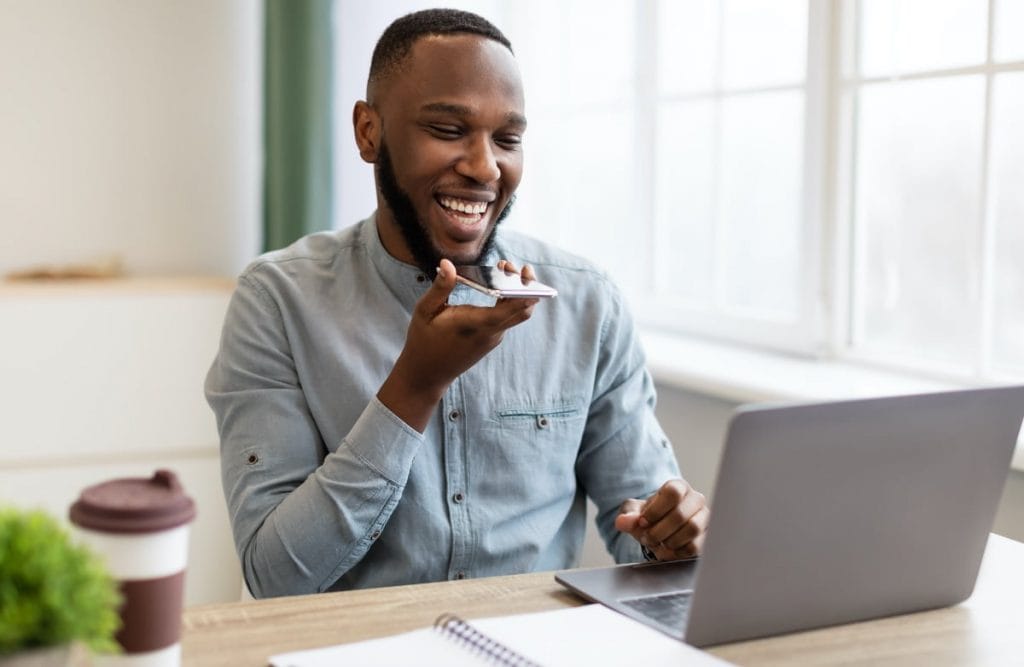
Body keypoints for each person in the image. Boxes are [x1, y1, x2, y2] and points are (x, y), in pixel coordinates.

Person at [205, 8, 708, 599]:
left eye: (508, 139)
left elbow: (642, 532)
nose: (485, 166)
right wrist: (415, 385)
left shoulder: (586, 303)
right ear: (370, 132)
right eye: (448, 131)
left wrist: (670, 535)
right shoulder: (278, 303)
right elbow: (275, 576)